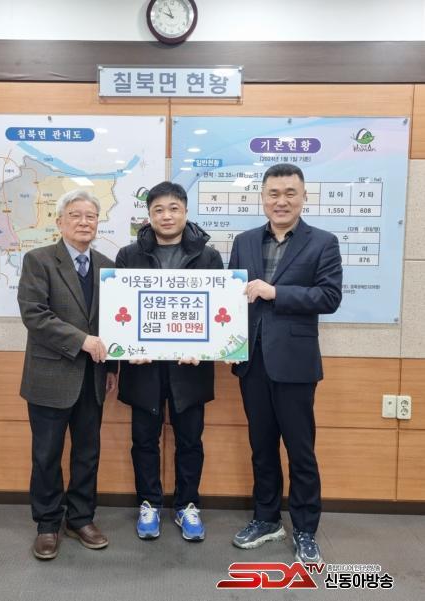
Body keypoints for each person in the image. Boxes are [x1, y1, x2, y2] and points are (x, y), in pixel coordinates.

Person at [228, 163, 342, 563]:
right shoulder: (244, 241)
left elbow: (329, 297)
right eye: (273, 193)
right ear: (262, 198)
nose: (281, 201)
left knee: (300, 449)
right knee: (261, 446)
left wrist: (276, 292)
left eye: (290, 193)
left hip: (295, 363)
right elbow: (231, 299)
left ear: (304, 197)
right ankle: (267, 519)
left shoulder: (323, 242)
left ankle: (306, 528)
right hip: (252, 362)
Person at [115, 181, 223, 541]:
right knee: (144, 440)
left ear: (186, 212)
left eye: (173, 208)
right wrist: (127, 346)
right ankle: (149, 504)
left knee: (190, 440)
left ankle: (187, 505)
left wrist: (205, 347)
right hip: (143, 367)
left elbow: (217, 312)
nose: (166, 216)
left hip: (189, 367)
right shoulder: (128, 255)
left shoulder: (208, 257)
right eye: (158, 210)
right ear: (148, 215)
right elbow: (119, 310)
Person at [18, 189, 117, 560]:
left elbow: (114, 322)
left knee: (87, 453)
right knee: (47, 454)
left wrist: (113, 366)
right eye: (75, 215)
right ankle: (47, 524)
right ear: (59, 221)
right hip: (50, 376)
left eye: (90, 216)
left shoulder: (108, 266)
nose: (84, 222)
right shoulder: (39, 260)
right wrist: (82, 341)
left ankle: (80, 519)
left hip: (93, 377)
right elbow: (35, 315)